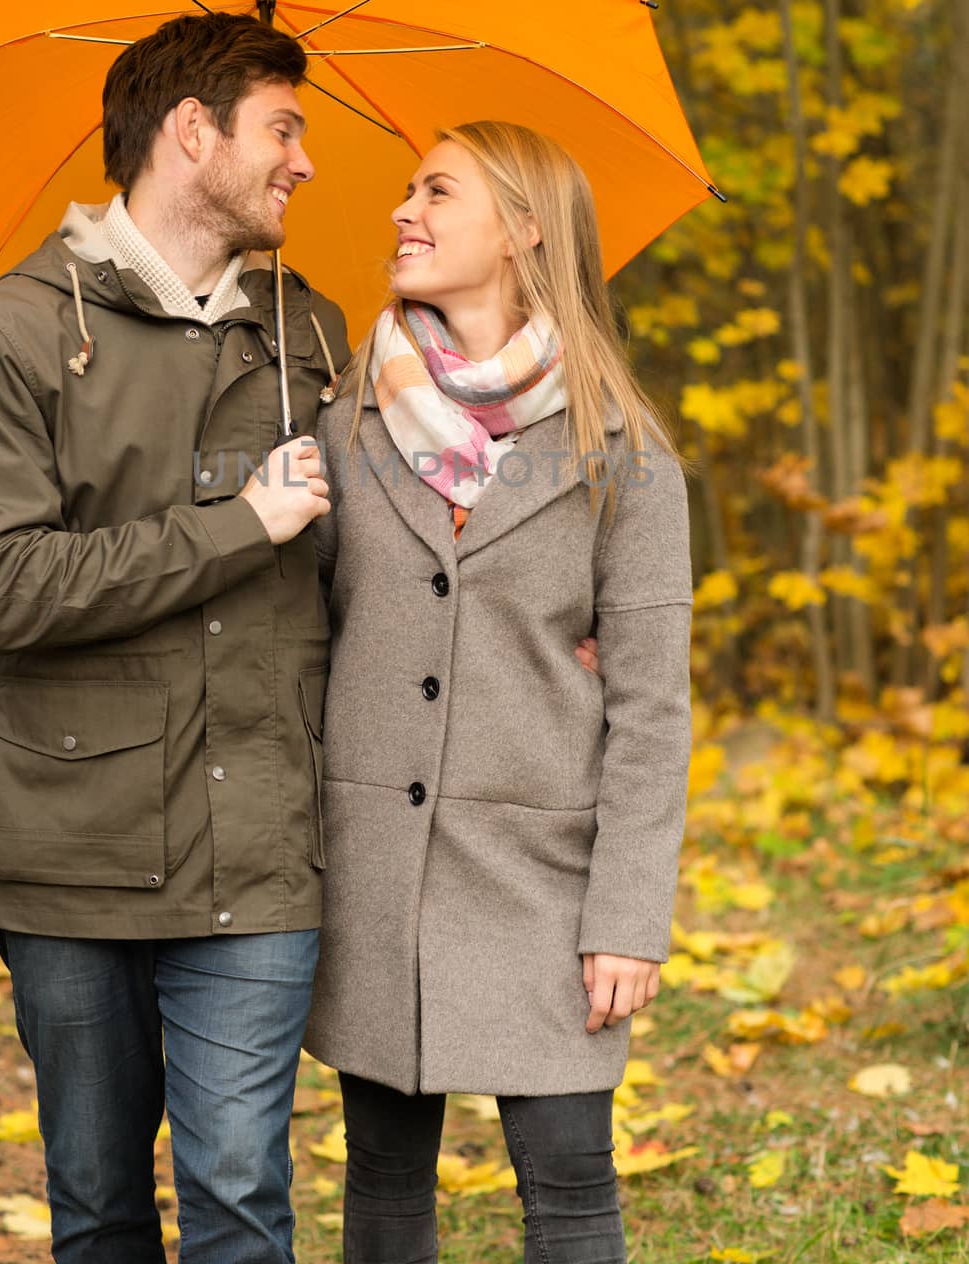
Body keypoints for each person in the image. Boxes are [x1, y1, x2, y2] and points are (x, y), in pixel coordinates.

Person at [0, 11, 350, 1264]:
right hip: (72, 850)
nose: (305, 162)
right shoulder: (9, 333)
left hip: (262, 839)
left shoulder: (314, 331)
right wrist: (239, 526)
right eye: (282, 128)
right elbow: (2, 586)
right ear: (191, 132)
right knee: (102, 1210)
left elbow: (386, 565)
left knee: (240, 1202)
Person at [304, 121, 693, 1264]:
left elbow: (651, 708)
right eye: (403, 189)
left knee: (569, 1185)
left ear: (524, 229)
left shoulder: (622, 454)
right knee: (379, 1179)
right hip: (376, 863)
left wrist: (627, 914)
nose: (400, 211)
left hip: (546, 876)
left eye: (436, 191)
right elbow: (304, 636)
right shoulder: (344, 422)